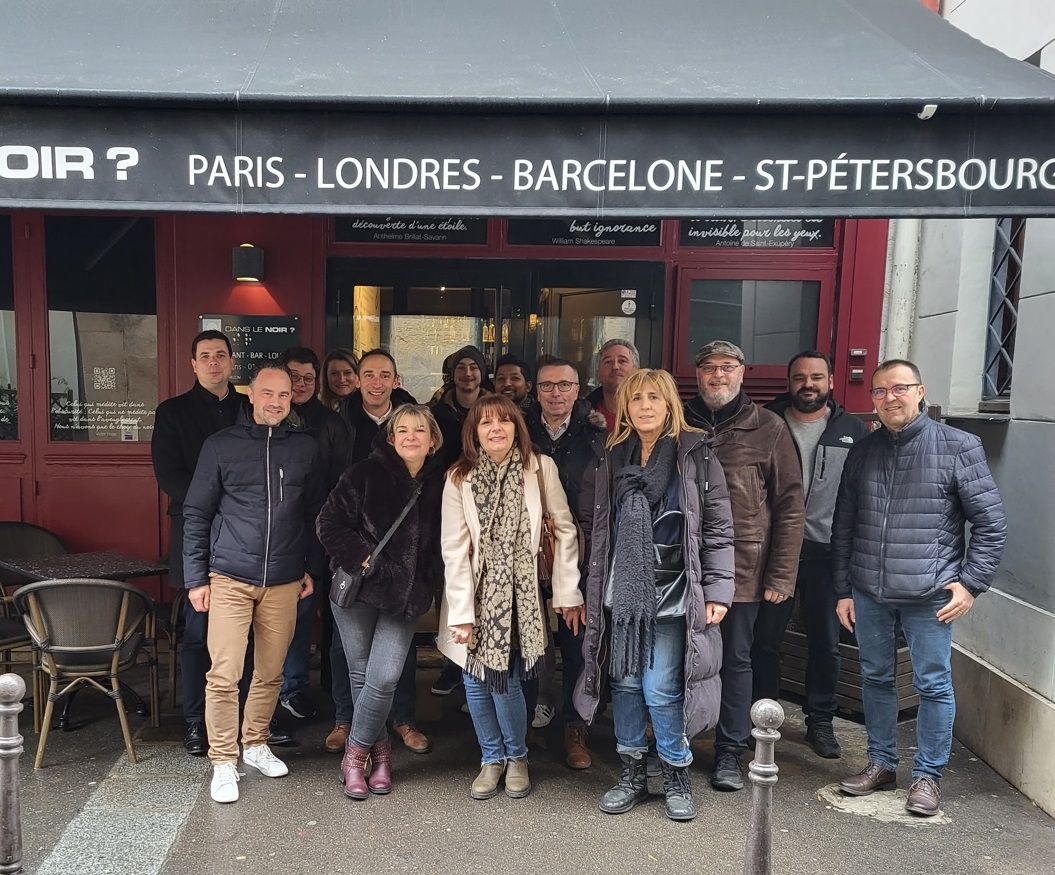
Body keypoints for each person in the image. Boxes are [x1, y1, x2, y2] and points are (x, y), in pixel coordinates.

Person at [833, 359, 1006, 816]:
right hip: (869, 590)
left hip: (932, 593)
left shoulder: (958, 446)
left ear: (920, 391)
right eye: (880, 391)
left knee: (933, 683)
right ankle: (881, 763)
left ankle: (928, 776)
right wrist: (843, 590)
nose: (890, 397)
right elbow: (843, 527)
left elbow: (991, 525)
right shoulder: (863, 451)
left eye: (899, 388)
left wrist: (971, 584)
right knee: (875, 677)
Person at [575, 369, 735, 821]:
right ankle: (631, 773)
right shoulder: (608, 455)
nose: (645, 406)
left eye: (654, 398)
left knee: (662, 688)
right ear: (624, 406)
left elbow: (719, 529)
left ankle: (675, 772)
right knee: (624, 684)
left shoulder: (696, 455)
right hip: (619, 593)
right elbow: (590, 527)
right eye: (636, 398)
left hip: (674, 592)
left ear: (669, 405)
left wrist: (720, 588)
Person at [182, 363, 326, 804]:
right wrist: (195, 578)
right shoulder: (221, 446)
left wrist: (311, 569)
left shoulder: (305, 449)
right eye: (268, 394)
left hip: (284, 579)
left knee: (270, 671)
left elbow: (315, 515)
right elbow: (197, 514)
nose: (276, 402)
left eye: (284, 395)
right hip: (229, 575)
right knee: (224, 674)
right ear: (252, 396)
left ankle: (256, 743)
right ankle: (224, 760)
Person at [439, 394, 584, 801]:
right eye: (486, 423)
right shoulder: (458, 477)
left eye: (504, 421)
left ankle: (516, 756)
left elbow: (565, 528)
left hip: (523, 596)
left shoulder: (539, 468)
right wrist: (463, 613)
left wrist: (566, 590)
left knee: (508, 679)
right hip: (473, 592)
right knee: (474, 678)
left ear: (517, 427)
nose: (495, 429)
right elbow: (454, 546)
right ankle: (491, 758)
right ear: (474, 432)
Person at [683, 340, 804, 792]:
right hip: (686, 567)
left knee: (736, 660)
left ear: (742, 372)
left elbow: (790, 505)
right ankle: (680, 743)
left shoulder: (768, 427)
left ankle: (730, 750)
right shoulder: (681, 420)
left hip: (746, 569)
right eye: (710, 368)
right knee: (684, 659)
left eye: (727, 367)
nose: (718, 376)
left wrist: (781, 574)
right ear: (697, 374)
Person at [317, 405, 446, 799]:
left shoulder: (441, 485)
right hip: (359, 592)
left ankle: (355, 755)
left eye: (419, 430)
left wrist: (431, 587)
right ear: (391, 438)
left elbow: (445, 546)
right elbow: (328, 524)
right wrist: (363, 558)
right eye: (402, 430)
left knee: (384, 676)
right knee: (362, 676)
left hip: (405, 599)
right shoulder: (364, 474)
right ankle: (382, 755)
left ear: (432, 439)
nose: (410, 437)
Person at [751, 351, 871, 759]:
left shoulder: (853, 430)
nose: (808, 384)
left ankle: (819, 721)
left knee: (826, 642)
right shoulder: (766, 422)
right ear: (788, 382)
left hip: (828, 553)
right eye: (799, 376)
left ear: (831, 382)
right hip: (774, 551)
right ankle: (761, 716)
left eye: (816, 377)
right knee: (765, 640)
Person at [331, 348, 428, 755]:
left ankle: (400, 720)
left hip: (403, 586)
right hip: (359, 576)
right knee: (354, 662)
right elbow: (329, 508)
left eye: (383, 374)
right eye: (367, 373)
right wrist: (358, 556)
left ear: (396, 379)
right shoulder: (338, 421)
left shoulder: (435, 474)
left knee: (387, 668)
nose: (375, 381)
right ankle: (362, 737)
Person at [151, 329, 243, 757]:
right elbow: (168, 475)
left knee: (242, 635)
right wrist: (214, 502)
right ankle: (195, 721)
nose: (213, 362)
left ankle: (238, 720)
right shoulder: (172, 413)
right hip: (193, 529)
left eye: (220, 355)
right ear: (192, 363)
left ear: (231, 361)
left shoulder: (247, 407)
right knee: (197, 631)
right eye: (204, 355)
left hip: (246, 533)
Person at [524, 357, 606, 768]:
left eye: (565, 385)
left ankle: (577, 728)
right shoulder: (520, 430)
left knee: (578, 645)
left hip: (583, 553)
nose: (556, 393)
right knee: (528, 645)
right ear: (534, 390)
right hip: (527, 553)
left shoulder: (598, 434)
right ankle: (526, 724)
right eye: (547, 386)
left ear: (579, 389)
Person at [276, 347, 352, 726]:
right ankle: (290, 688)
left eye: (308, 377)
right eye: (294, 376)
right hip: (277, 532)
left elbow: (341, 479)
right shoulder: (267, 416)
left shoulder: (331, 423)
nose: (301, 384)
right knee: (293, 614)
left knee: (329, 611)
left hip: (323, 530)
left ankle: (321, 688)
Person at [432, 345, 492, 469]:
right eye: (461, 368)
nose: (467, 373)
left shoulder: (495, 413)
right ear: (453, 374)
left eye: (473, 367)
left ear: (482, 373)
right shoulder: (435, 415)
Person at [586, 339, 639, 432]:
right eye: (608, 362)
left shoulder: (652, 416)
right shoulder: (582, 418)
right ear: (597, 375)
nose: (615, 367)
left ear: (636, 372)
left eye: (622, 361)